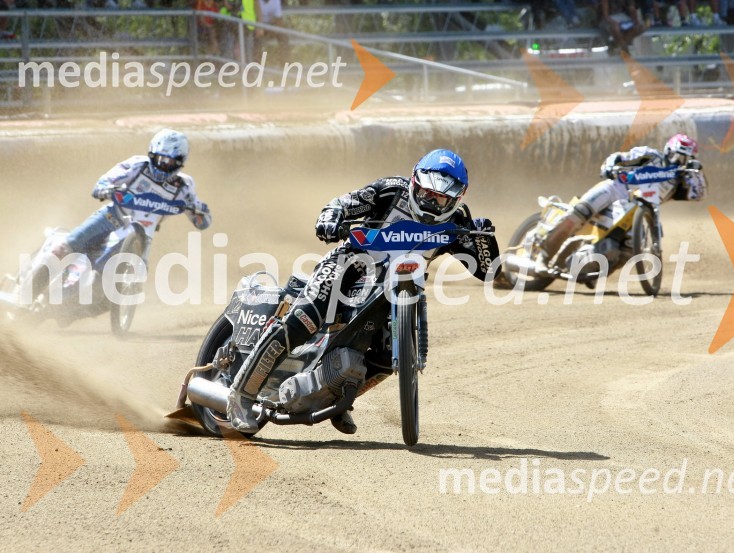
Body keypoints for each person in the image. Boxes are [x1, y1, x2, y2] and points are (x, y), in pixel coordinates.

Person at [226, 149, 500, 434]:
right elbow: (342, 204)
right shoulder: (390, 191)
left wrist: (484, 239)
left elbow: (488, 271)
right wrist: (330, 219)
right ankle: (241, 395)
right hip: (351, 265)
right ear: (414, 182)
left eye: (441, 199)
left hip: (402, 289)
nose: (432, 203)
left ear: (457, 199)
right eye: (426, 194)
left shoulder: (460, 221)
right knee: (308, 316)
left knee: (388, 356)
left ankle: (335, 397)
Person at [29, 129, 211, 298]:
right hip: (111, 217)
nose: (163, 166)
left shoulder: (185, 187)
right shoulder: (137, 166)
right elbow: (103, 182)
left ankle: (75, 303)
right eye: (160, 159)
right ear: (152, 155)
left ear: (179, 162)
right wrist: (106, 189)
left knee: (122, 288)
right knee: (66, 246)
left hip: (142, 235)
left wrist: (199, 213)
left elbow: (202, 220)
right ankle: (29, 292)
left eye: (169, 162)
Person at [534, 134, 708, 272]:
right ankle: (543, 257)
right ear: (667, 150)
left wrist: (696, 172)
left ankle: (589, 267)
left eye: (683, 159)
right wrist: (610, 166)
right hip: (615, 190)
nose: (677, 161)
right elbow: (619, 157)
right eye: (675, 155)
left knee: (628, 251)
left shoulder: (680, 181)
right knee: (578, 215)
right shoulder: (650, 155)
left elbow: (700, 194)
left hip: (640, 211)